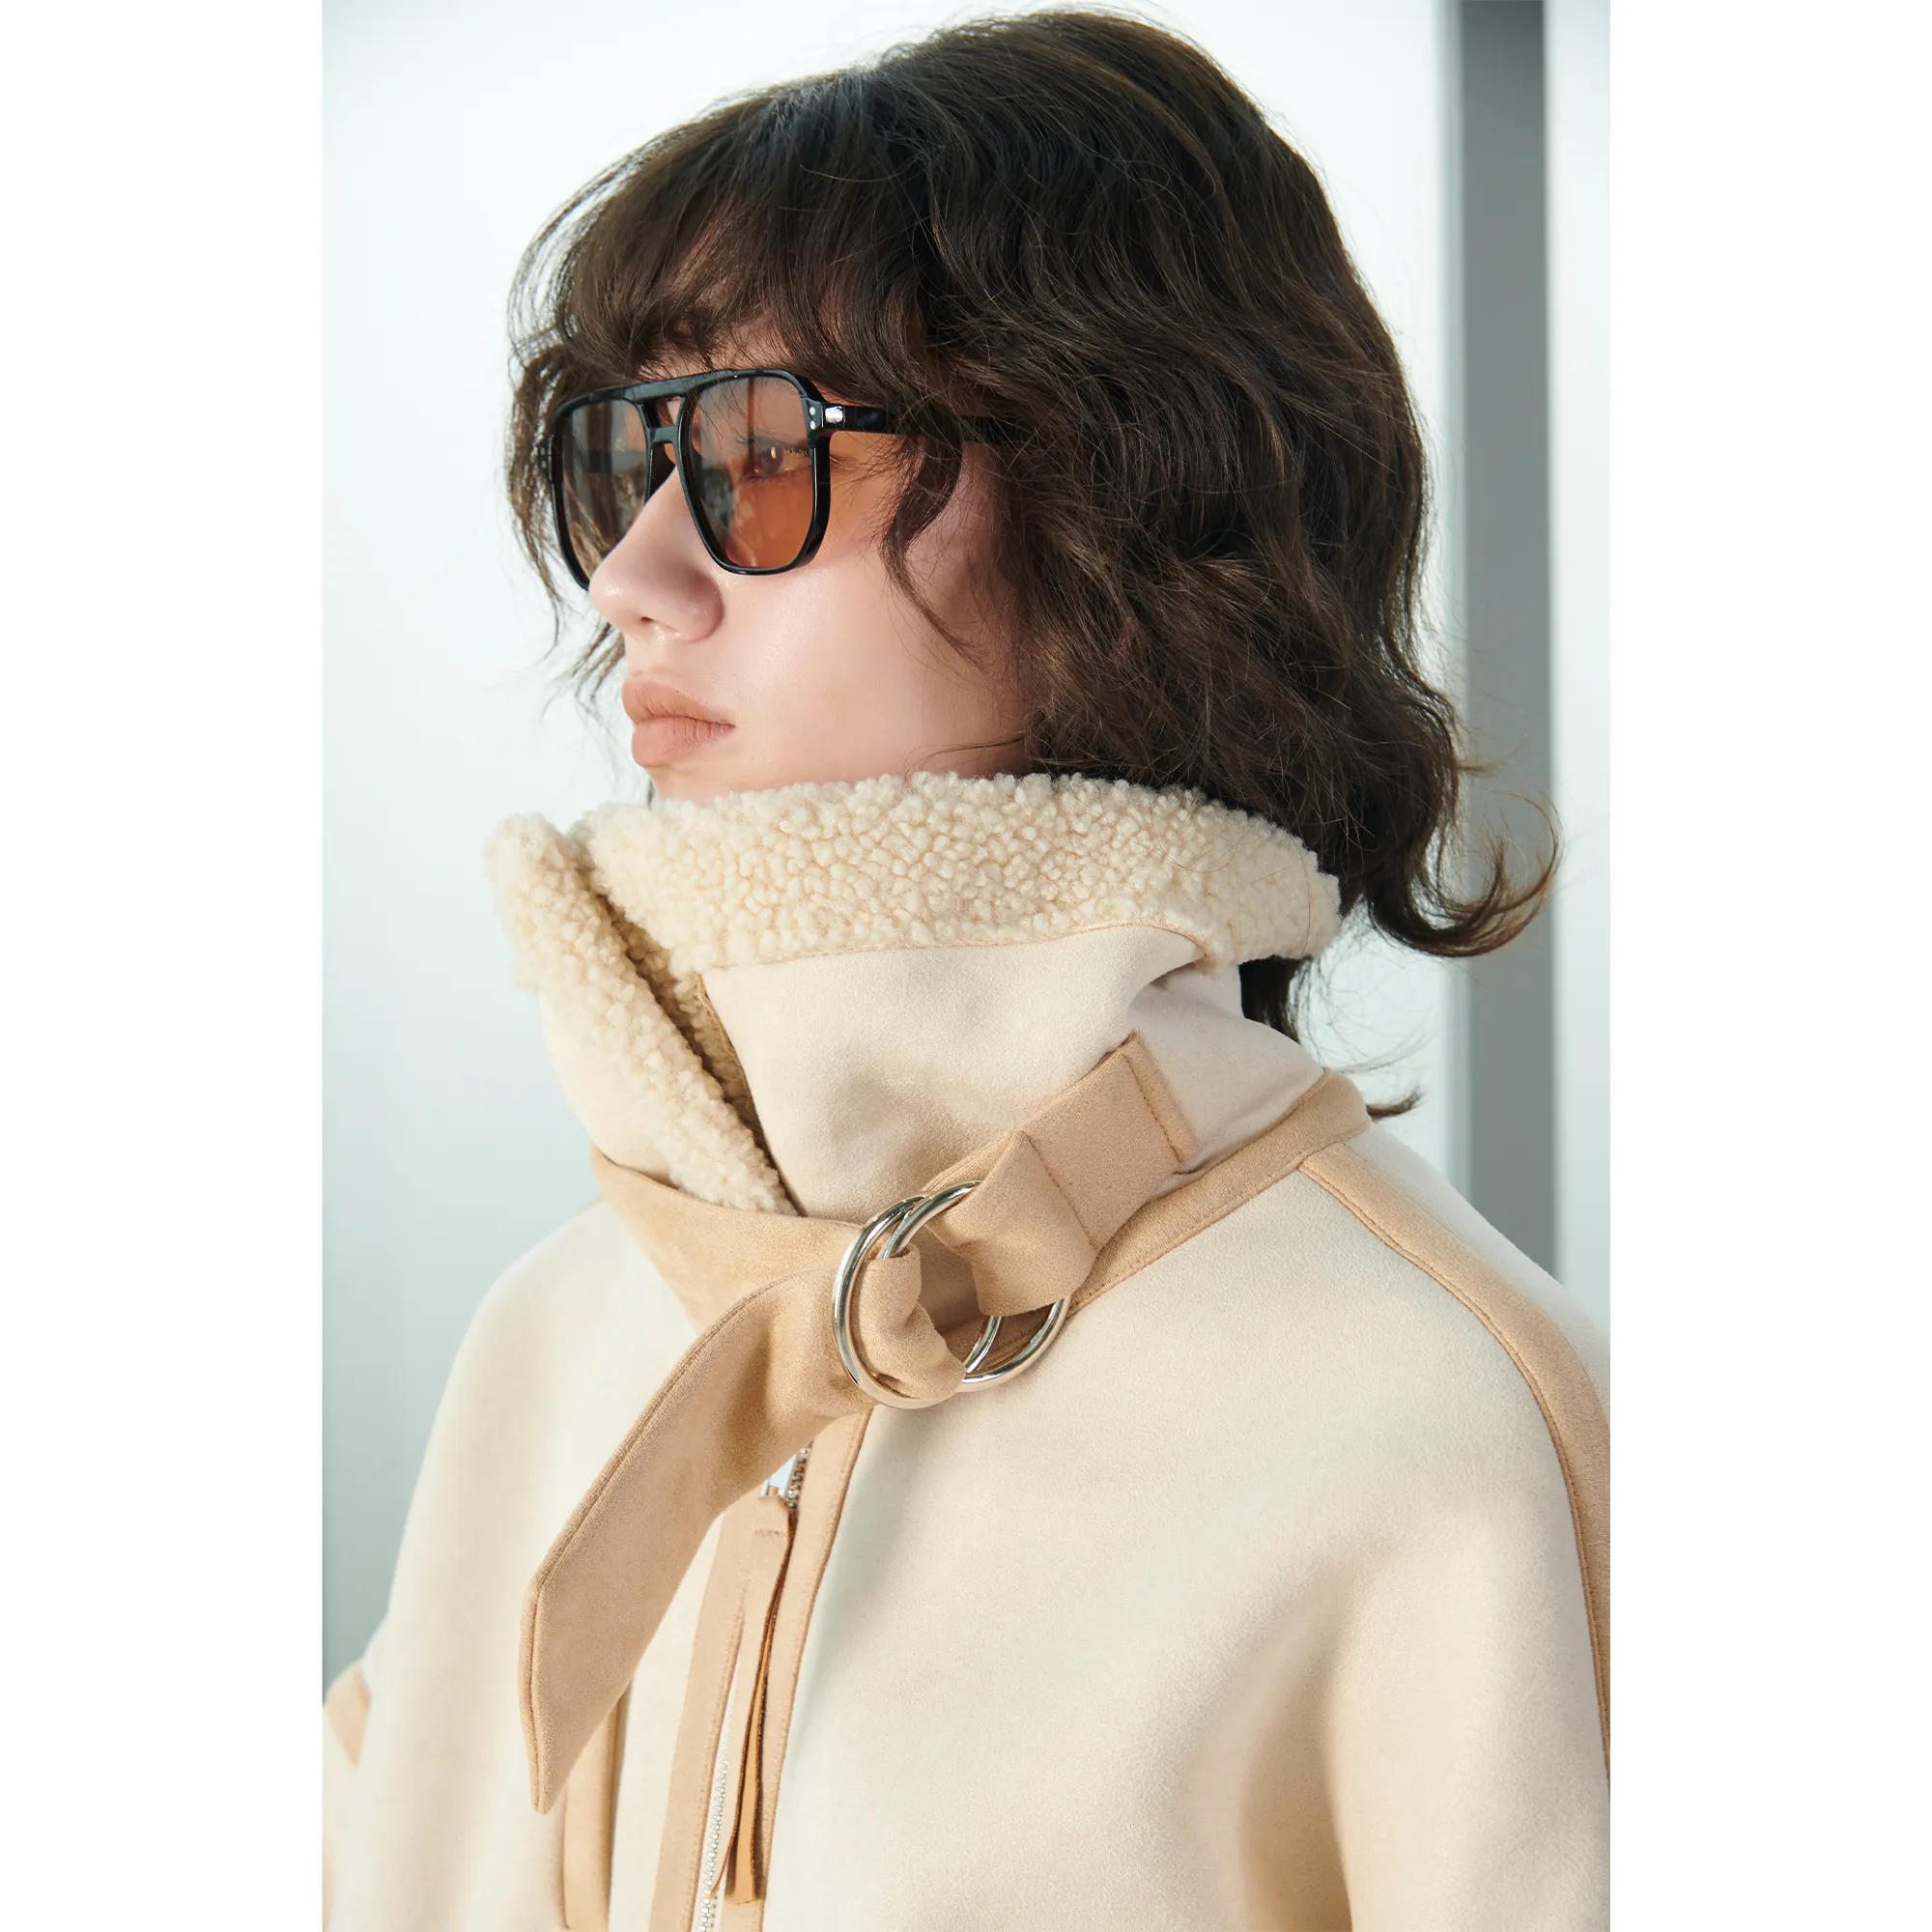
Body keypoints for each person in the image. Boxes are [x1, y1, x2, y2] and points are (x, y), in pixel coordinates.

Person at [323, 12, 1607, 1929]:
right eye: (627, 463)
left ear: (1130, 496)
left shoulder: (1445, 1423)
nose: (634, 581)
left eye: (760, 455)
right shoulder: (562, 1339)